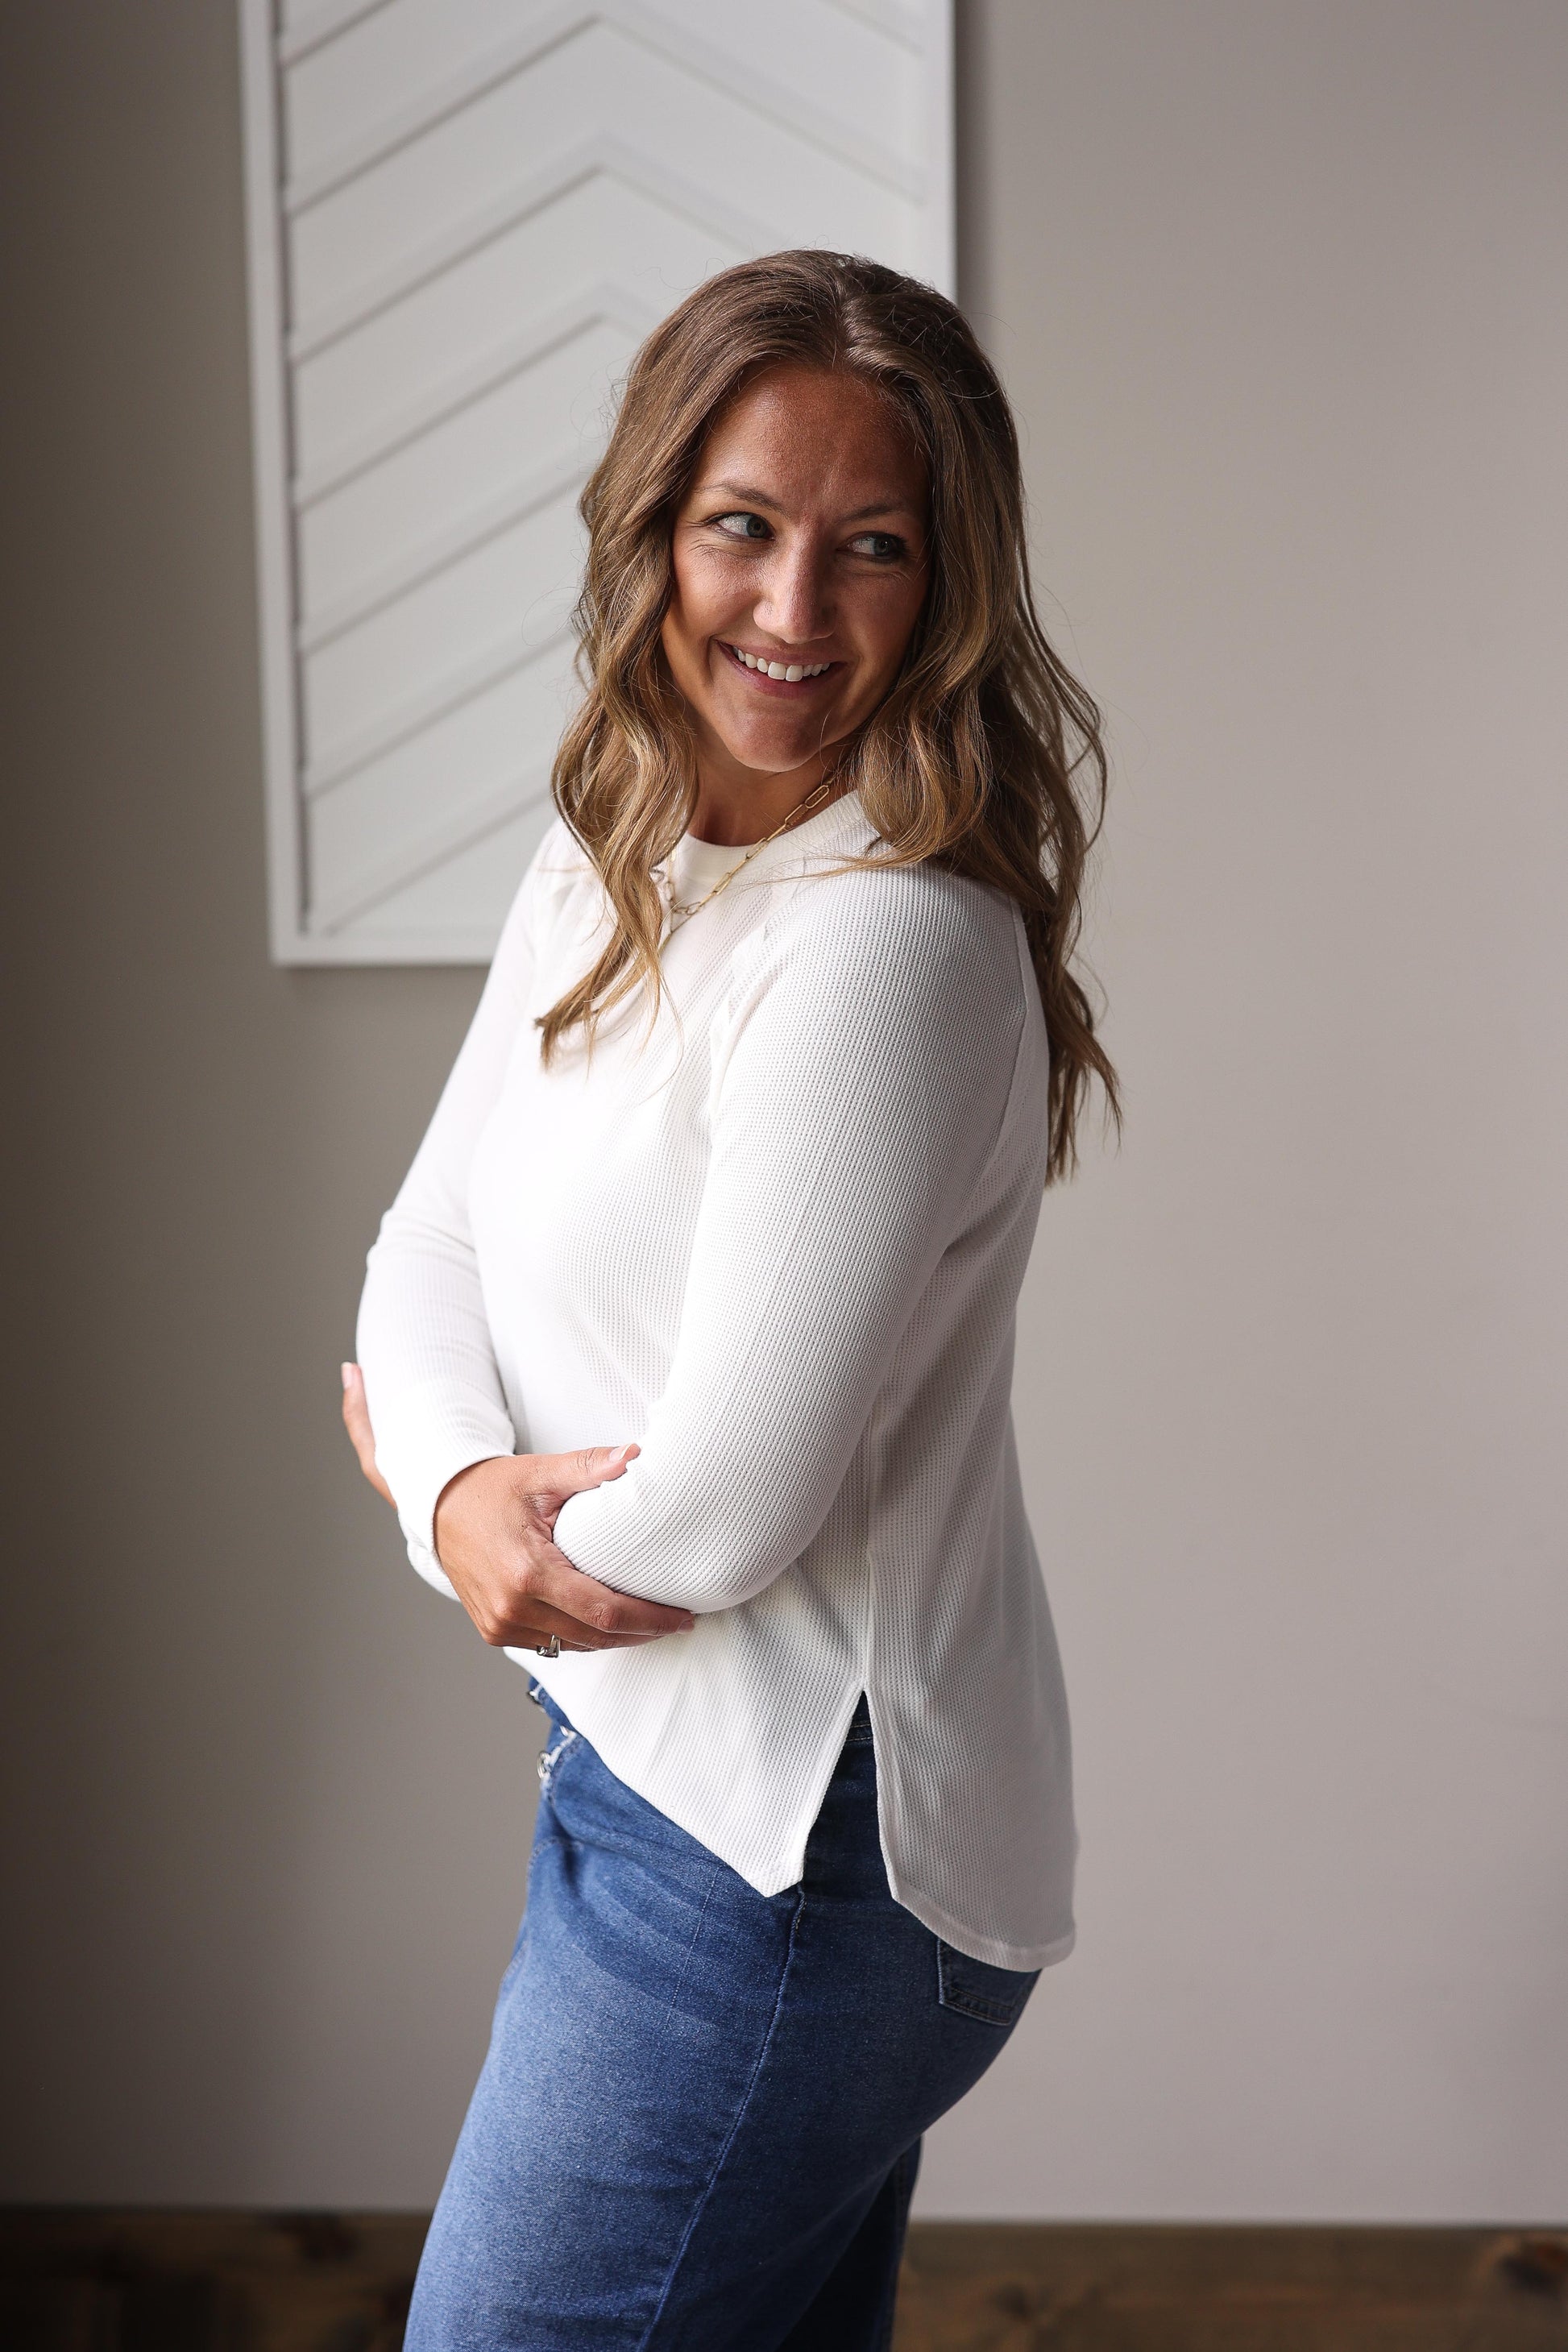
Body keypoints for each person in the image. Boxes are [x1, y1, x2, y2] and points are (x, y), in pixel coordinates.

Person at [342, 248, 1118, 2352]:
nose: (790, 613)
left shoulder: (882, 949)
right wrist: (456, 1508)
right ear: (656, 529)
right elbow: (417, 1262)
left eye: (869, 549)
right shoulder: (609, 844)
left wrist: (462, 1510)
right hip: (658, 1788)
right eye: (743, 530)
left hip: (788, 1865)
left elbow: (719, 1518)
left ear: (944, 581)